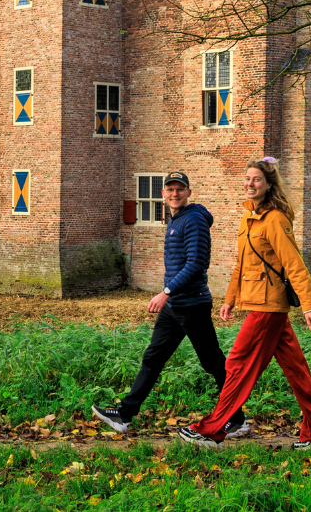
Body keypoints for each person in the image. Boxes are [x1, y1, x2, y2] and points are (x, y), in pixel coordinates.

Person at [178, 156, 311, 450]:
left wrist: (309, 305)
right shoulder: (249, 218)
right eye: (248, 178)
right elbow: (242, 265)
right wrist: (229, 299)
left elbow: (294, 264)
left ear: (268, 185)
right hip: (257, 303)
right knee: (297, 369)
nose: (250, 184)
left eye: (257, 180)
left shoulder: (275, 219)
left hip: (268, 306)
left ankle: (213, 429)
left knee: (237, 364)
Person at [93, 172, 249, 439]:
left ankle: (237, 418)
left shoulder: (195, 220)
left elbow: (196, 263)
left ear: (189, 192)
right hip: (175, 306)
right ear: (163, 194)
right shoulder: (176, 219)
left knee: (212, 362)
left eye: (180, 189)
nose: (174, 194)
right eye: (170, 189)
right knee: (153, 358)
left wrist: (165, 292)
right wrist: (169, 296)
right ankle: (124, 415)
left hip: (192, 304)